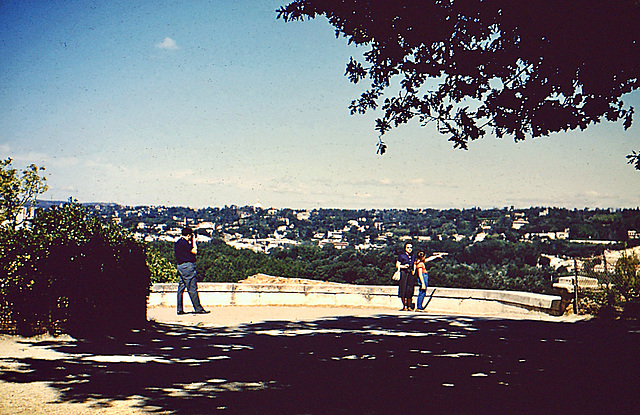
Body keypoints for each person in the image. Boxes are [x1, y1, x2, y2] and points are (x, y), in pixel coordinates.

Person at [175, 227, 209, 315]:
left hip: (180, 266)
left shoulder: (178, 242)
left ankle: (179, 309)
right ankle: (198, 308)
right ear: (189, 235)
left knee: (181, 289)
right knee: (192, 288)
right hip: (188, 266)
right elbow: (194, 251)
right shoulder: (185, 243)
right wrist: (194, 242)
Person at [396, 242, 415, 311]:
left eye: (411, 247)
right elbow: (397, 264)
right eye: (408, 247)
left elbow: (414, 264)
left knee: (410, 289)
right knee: (403, 289)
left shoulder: (413, 256)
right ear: (405, 248)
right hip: (404, 273)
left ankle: (408, 305)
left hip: (410, 273)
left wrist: (413, 270)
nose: (410, 249)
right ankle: (404, 306)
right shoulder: (402, 256)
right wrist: (403, 266)